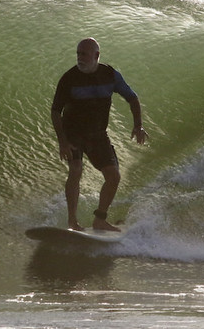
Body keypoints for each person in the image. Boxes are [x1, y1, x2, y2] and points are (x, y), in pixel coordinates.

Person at [50, 38, 148, 231]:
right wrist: (62, 141)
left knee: (113, 176)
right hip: (73, 133)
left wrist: (138, 125)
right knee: (76, 170)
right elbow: (55, 111)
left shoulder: (110, 75)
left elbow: (132, 98)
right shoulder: (69, 78)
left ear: (96, 56)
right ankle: (72, 222)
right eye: (78, 54)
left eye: (84, 54)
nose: (80, 58)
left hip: (97, 134)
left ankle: (100, 219)